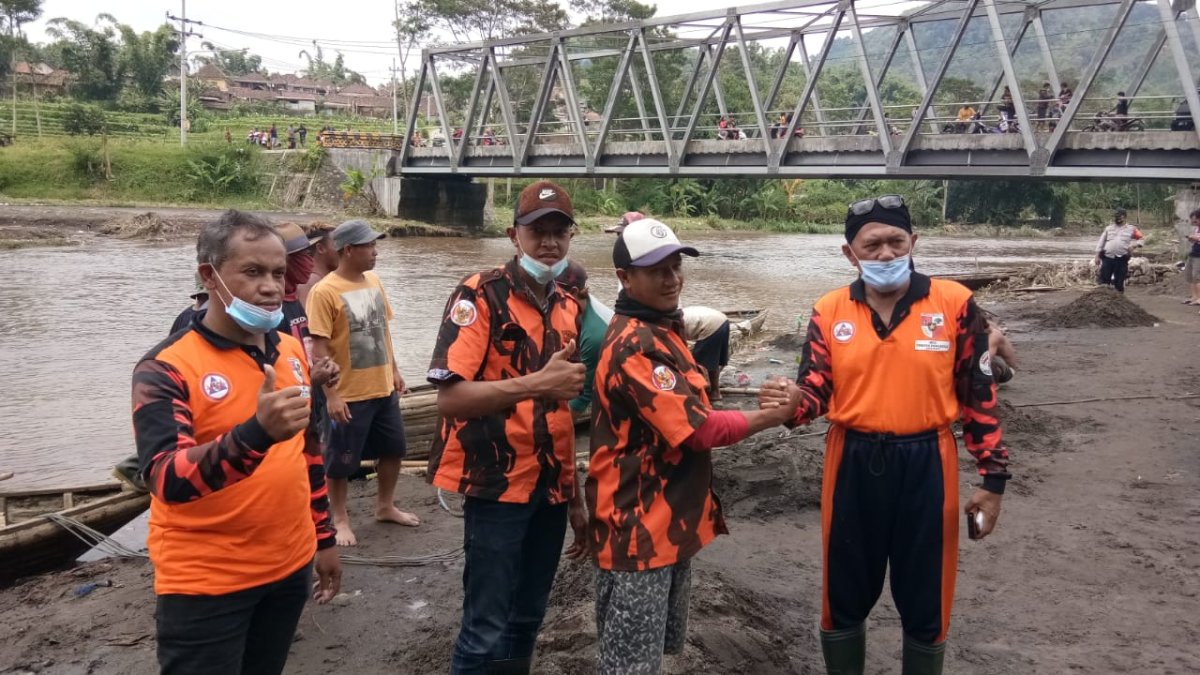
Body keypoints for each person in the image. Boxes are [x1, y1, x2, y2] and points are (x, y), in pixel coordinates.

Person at [758, 194, 1010, 675]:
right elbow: (815, 389)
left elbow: (979, 395)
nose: (886, 254)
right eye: (871, 245)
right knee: (844, 593)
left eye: (896, 242)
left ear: (914, 242)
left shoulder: (954, 303)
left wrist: (992, 481)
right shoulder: (829, 310)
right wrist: (791, 405)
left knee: (927, 597)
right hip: (851, 460)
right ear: (849, 254)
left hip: (928, 461)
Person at [131, 210, 341, 674]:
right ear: (210, 276)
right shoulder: (165, 368)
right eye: (252, 272)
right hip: (207, 583)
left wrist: (322, 538)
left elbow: (308, 452)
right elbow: (167, 478)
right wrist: (255, 434)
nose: (270, 286)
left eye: (278, 273)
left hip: (288, 567)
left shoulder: (289, 350)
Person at [587, 218, 800, 674]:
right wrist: (769, 416)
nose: (672, 278)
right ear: (624, 277)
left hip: (666, 521)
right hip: (637, 527)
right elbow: (698, 430)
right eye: (657, 269)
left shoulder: (665, 328)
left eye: (676, 265)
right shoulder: (636, 347)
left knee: (649, 657)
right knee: (628, 666)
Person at [426, 180, 587, 675]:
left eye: (560, 231)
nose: (550, 242)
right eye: (538, 231)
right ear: (513, 234)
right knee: (485, 625)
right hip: (496, 485)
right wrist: (537, 382)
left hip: (550, 489)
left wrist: (576, 499)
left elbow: (559, 414)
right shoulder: (479, 294)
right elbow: (450, 396)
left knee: (527, 617)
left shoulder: (568, 304)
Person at [307, 219, 419, 547]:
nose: (375, 252)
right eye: (369, 246)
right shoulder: (324, 291)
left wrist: (395, 371)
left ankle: (385, 506)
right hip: (349, 393)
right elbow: (320, 349)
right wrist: (331, 396)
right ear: (348, 250)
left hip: (382, 387)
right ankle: (339, 519)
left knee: (394, 449)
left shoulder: (373, 281)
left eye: (375, 245)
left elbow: (382, 331)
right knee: (340, 462)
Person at [556, 260, 613, 415]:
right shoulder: (578, 304)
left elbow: (582, 395)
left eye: (553, 290)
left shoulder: (595, 334)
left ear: (573, 292)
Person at [681, 305, 732, 400]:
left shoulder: (672, 323)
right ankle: (714, 391)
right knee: (714, 360)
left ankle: (700, 393)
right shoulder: (677, 316)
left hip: (711, 325)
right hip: (722, 320)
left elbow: (680, 347)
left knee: (698, 363)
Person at [1094, 208, 1144, 293]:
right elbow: (1101, 243)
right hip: (1107, 258)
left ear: (1124, 217)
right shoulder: (1108, 229)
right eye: (1116, 217)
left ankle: (1119, 301)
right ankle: (1103, 301)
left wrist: (1134, 245)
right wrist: (1097, 256)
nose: (1117, 219)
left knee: (1119, 282)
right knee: (1104, 281)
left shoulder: (1132, 229)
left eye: (1119, 217)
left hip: (1121, 259)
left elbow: (1141, 238)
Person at [298, 225, 338, 306]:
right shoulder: (309, 283)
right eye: (337, 244)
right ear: (320, 248)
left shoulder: (328, 280)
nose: (343, 250)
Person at [1184, 209, 1200, 305]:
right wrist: (1192, 239)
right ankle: (1194, 297)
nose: (1194, 223)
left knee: (1197, 277)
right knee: (1190, 276)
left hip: (1199, 256)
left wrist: (1197, 238)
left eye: (1195, 220)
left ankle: (1199, 298)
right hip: (1193, 253)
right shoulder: (1197, 228)